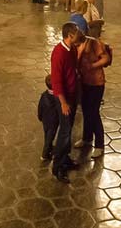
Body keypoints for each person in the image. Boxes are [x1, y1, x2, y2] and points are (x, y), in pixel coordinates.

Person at [49, 23, 83, 182]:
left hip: (72, 95)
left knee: (68, 131)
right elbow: (56, 81)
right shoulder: (59, 53)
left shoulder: (73, 49)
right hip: (64, 99)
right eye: (77, 32)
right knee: (64, 132)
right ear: (69, 35)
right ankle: (57, 167)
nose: (80, 34)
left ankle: (65, 159)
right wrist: (63, 103)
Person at [77, 34, 110, 159]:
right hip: (84, 82)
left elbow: (105, 58)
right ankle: (87, 138)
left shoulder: (94, 43)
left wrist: (91, 66)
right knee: (86, 111)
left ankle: (99, 145)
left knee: (94, 113)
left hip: (96, 83)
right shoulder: (79, 44)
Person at [37, 75, 59, 161]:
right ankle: (45, 154)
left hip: (45, 120)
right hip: (53, 122)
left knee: (47, 135)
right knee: (50, 137)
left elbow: (40, 106)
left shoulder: (44, 95)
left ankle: (49, 147)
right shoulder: (57, 97)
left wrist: (40, 116)